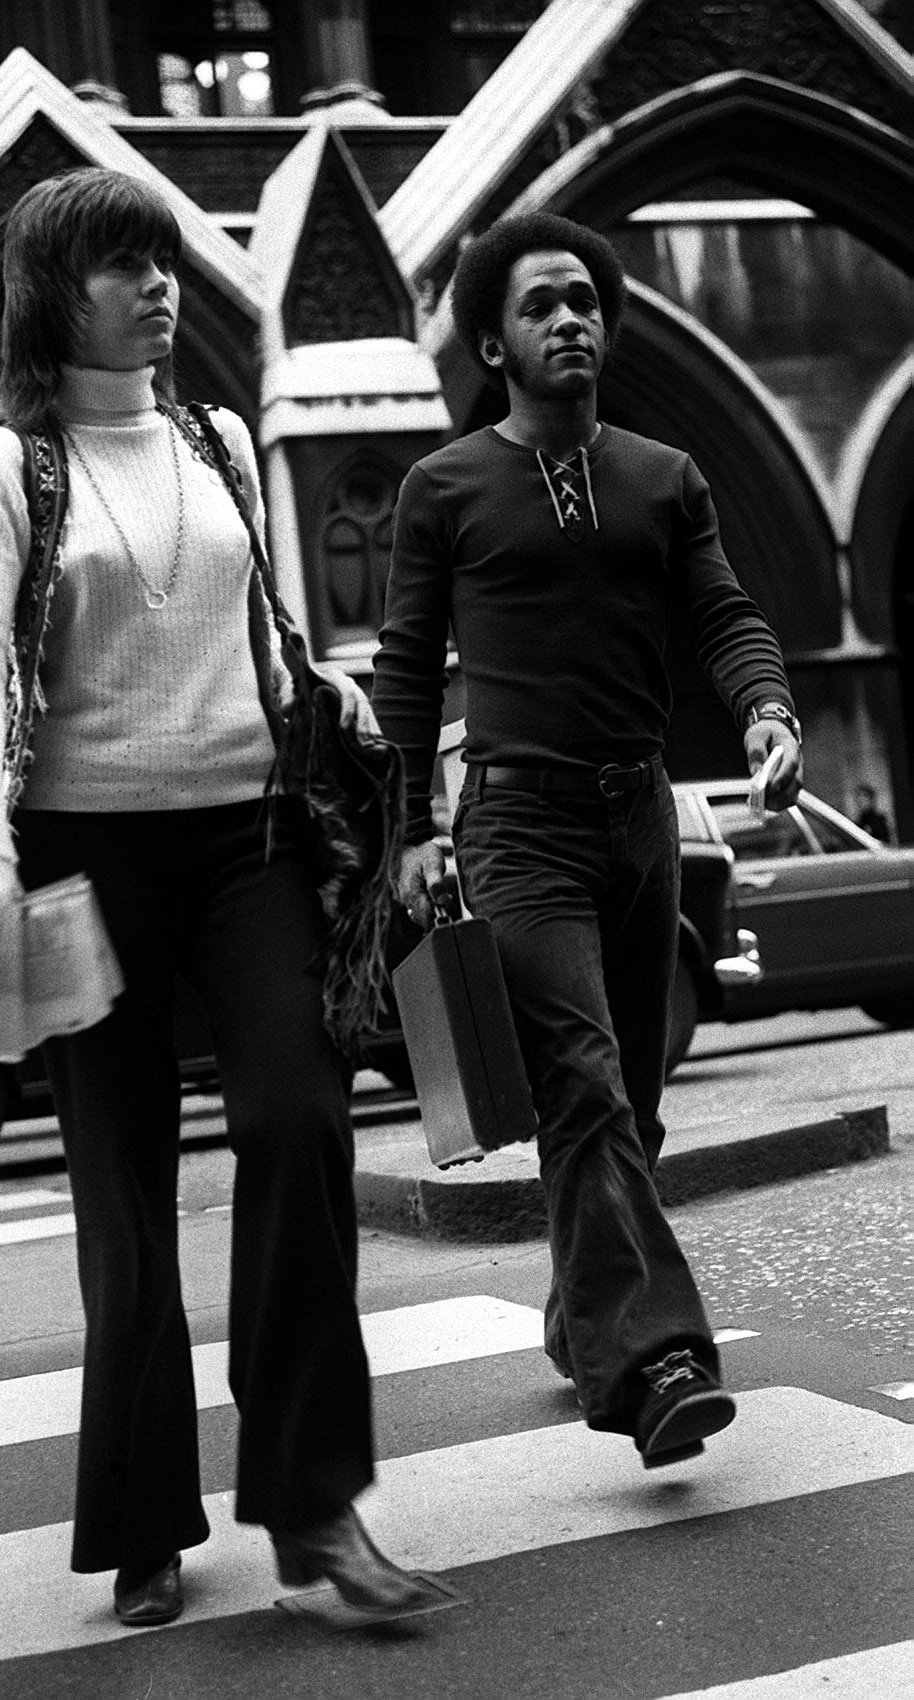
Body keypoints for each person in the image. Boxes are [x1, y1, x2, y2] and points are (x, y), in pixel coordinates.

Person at [0, 166, 432, 1628]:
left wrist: (318, 688)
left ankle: (312, 1503)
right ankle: (144, 1513)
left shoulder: (216, 439)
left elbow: (250, 626)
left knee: (297, 1115)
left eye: (161, 263)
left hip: (247, 842)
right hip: (81, 863)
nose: (157, 288)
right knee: (121, 1181)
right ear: (51, 292)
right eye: (120, 266)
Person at [372, 211, 804, 1469]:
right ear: (495, 344)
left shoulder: (667, 474)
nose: (573, 318)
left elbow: (722, 613)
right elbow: (406, 672)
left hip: (641, 816)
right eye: (541, 306)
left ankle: (580, 1316)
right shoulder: (442, 486)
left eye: (584, 300)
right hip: (517, 824)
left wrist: (768, 710)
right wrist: (411, 827)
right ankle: (661, 1361)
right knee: (587, 1085)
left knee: (633, 1108)